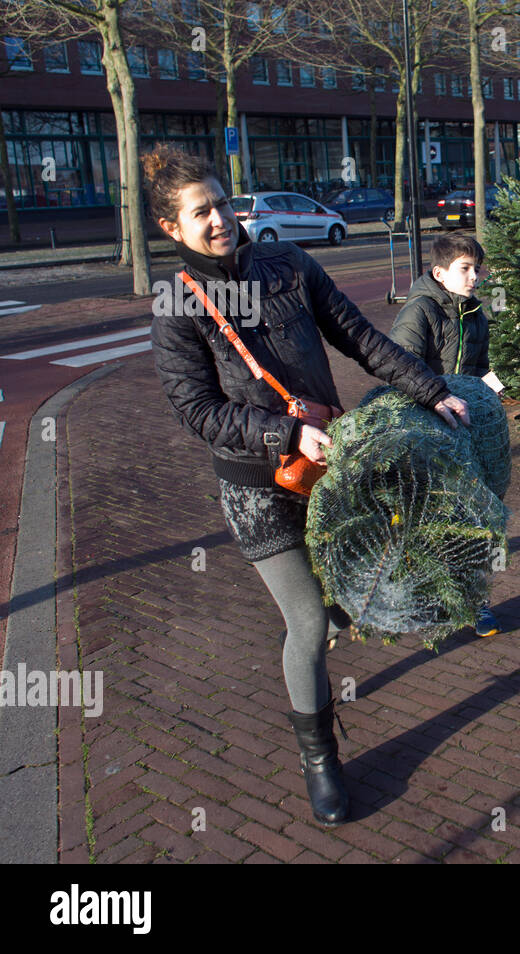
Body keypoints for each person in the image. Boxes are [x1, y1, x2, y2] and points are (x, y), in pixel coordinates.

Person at [144, 143, 470, 827]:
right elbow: (196, 412)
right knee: (309, 621)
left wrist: (431, 389)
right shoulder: (178, 303)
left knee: (358, 578)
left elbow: (359, 337)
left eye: (222, 203)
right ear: (172, 229)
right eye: (201, 213)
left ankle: (345, 609)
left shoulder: (288, 265)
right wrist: (284, 434)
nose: (219, 220)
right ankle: (321, 758)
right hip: (256, 486)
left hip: (326, 469)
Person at [389, 232, 503, 637]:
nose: (475, 277)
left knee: (472, 514)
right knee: (429, 516)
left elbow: (481, 369)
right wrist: (433, 399)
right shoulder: (419, 311)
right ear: (440, 273)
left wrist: (496, 392)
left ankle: (474, 603)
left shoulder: (475, 315)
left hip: (464, 428)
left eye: (477, 269)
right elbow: (399, 367)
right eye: (465, 269)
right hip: (426, 428)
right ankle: (424, 597)